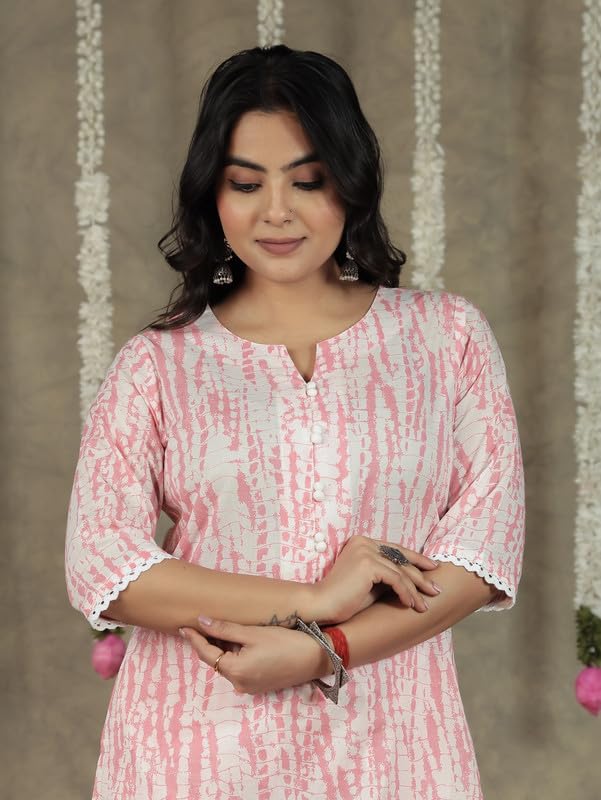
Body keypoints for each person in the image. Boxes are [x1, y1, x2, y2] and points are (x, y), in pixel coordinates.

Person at [64, 44, 525, 800]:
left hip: (395, 752)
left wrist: (323, 649)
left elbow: (481, 555)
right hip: (194, 752)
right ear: (212, 192)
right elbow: (103, 566)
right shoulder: (159, 365)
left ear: (351, 181)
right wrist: (312, 604)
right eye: (246, 183)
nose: (276, 211)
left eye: (307, 181)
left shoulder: (446, 339)